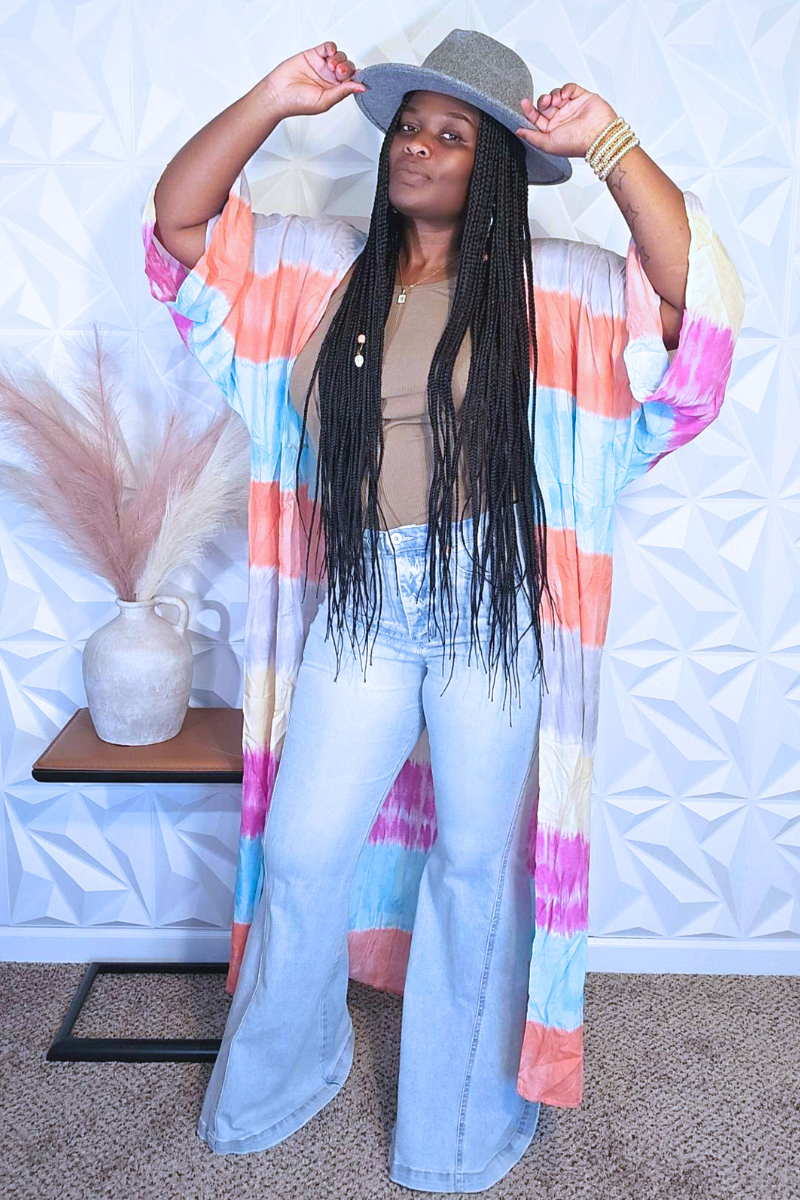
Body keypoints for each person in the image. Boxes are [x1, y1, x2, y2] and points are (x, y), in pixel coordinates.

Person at [142, 29, 744, 1192]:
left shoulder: (551, 289)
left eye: (450, 133)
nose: (416, 146)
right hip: (363, 606)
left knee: (474, 865)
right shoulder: (316, 272)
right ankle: (285, 1072)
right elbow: (176, 229)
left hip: (491, 607)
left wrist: (609, 142)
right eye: (409, 125)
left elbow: (691, 303)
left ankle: (455, 1133)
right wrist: (273, 99)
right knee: (305, 851)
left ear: (497, 169)